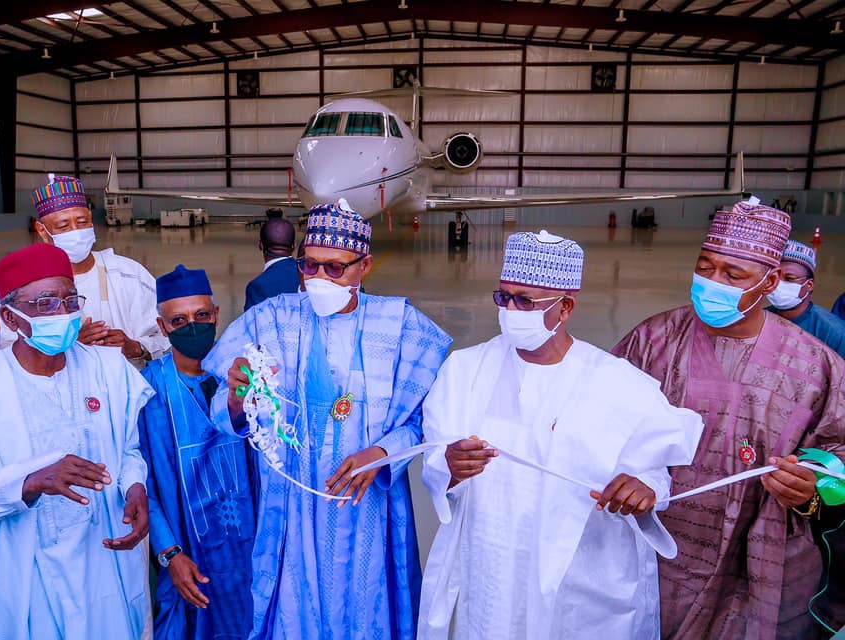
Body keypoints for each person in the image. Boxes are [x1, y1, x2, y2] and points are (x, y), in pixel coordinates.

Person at [417, 230, 703, 640]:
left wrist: (645, 490)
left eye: (525, 301)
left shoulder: (618, 383)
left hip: (578, 570)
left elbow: (653, 470)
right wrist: (448, 466)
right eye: (504, 297)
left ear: (565, 306)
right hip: (492, 565)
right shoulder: (463, 371)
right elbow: (436, 460)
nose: (511, 310)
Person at [203, 202, 452, 639]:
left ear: (365, 266)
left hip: (366, 506)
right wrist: (240, 399)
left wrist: (383, 452)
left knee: (362, 609)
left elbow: (424, 422)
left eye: (335, 269)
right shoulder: (272, 318)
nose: (319, 279)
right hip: (292, 505)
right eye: (310, 266)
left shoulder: (399, 327)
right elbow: (225, 408)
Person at [612, 199, 845, 640]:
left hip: (760, 559)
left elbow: (839, 454)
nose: (712, 282)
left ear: (770, 282)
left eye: (733, 275)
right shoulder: (650, 341)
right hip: (659, 551)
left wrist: (812, 487)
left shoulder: (816, 365)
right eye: (705, 267)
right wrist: (627, 475)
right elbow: (594, 426)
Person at [0, 243, 154, 640]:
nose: (64, 313)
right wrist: (31, 482)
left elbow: (127, 450)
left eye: (70, 299)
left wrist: (135, 488)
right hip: (24, 567)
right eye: (45, 303)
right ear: (10, 316)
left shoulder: (108, 367)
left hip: (104, 553)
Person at [139, 264, 257, 640]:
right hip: (189, 553)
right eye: (179, 320)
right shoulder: (150, 390)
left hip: (253, 552)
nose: (193, 326)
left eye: (202, 315)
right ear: (163, 328)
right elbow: (145, 483)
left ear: (216, 315)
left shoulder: (244, 375)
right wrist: (169, 554)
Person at [0, 174, 168, 368]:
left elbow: (169, 333)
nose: (75, 232)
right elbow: (4, 351)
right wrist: (67, 347)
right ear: (42, 231)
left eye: (82, 222)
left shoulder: (129, 274)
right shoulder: (24, 288)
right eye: (63, 226)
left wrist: (137, 348)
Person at [766, 240, 845, 358]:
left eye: (789, 278)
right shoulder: (760, 320)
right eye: (773, 278)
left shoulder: (834, 333)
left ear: (809, 285)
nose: (778, 284)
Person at [244, 217, 300, 311]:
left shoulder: (258, 286)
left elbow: (253, 324)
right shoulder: (307, 274)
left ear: (260, 245)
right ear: (294, 246)